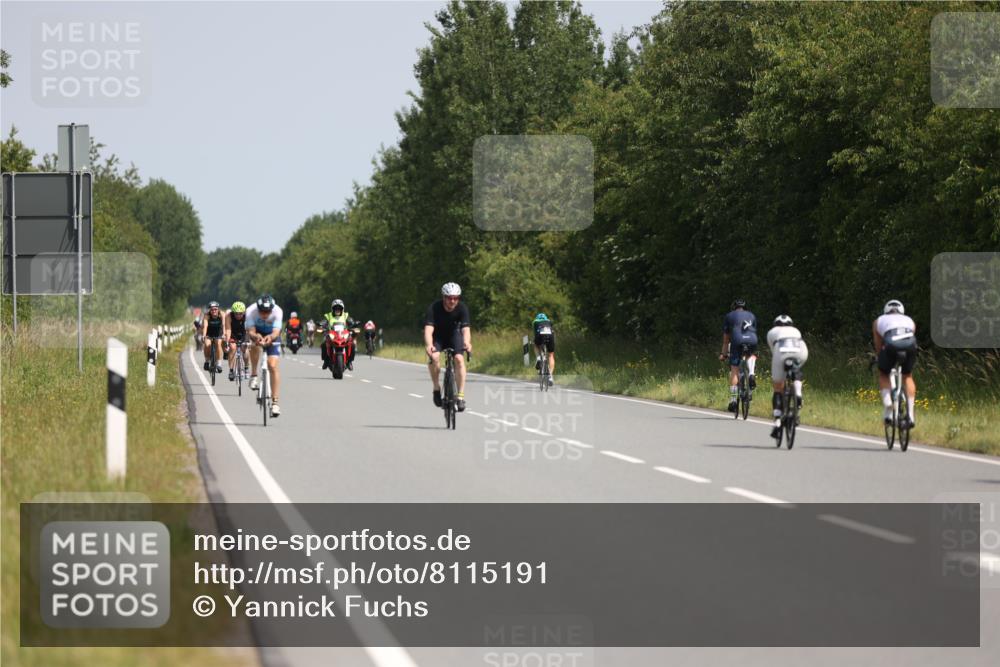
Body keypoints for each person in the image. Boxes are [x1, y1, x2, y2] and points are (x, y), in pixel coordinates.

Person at [424, 282, 472, 411]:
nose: (452, 301)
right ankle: (436, 388)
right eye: (449, 298)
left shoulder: (462, 308)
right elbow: (428, 330)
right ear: (444, 297)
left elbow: (465, 329)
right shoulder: (434, 308)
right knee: (434, 357)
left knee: (459, 359)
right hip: (438, 337)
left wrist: (467, 342)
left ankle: (460, 397)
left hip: (454, 335)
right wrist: (429, 345)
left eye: (455, 298)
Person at [873, 299, 918, 428]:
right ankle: (910, 416)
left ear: (886, 311)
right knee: (907, 376)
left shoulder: (879, 320)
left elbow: (878, 343)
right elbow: (911, 337)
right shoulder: (910, 320)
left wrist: (879, 357)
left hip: (891, 344)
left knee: (883, 373)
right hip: (910, 345)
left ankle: (888, 405)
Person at [766, 315, 809, 439]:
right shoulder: (795, 330)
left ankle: (777, 422)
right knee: (796, 368)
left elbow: (774, 352)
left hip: (781, 350)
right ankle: (798, 392)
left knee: (778, 387)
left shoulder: (771, 332)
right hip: (800, 350)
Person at [246, 294, 283, 418]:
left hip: (272, 335)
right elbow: (251, 331)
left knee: (272, 365)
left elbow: (276, 332)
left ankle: (275, 402)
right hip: (257, 333)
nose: (265, 314)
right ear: (258, 308)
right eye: (262, 311)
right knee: (254, 346)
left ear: (272, 309)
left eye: (268, 311)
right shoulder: (251, 311)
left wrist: (270, 338)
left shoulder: (278, 311)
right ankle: (254, 375)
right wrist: (257, 337)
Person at [719, 298, 759, 413]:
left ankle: (733, 400)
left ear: (734, 308)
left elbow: (726, 340)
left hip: (736, 341)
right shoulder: (752, 315)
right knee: (751, 355)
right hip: (752, 340)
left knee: (734, 371)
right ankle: (751, 373)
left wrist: (723, 354)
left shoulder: (729, 316)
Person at [321, 299, 357, 371]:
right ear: (332, 309)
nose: (337, 310)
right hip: (332, 334)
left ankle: (349, 361)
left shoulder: (345, 315)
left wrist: (353, 323)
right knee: (324, 343)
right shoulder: (329, 315)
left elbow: (351, 321)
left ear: (342, 309)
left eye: (339, 308)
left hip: (343, 334)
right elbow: (324, 321)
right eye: (335, 308)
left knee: (352, 344)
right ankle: (326, 360)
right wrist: (322, 324)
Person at [224, 301, 248, 381]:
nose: (238, 315)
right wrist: (227, 342)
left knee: (245, 348)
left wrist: (248, 341)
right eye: (236, 313)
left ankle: (246, 368)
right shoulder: (228, 316)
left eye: (240, 313)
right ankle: (231, 370)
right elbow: (228, 329)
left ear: (243, 312)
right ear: (233, 312)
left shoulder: (247, 316)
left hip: (244, 333)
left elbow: (249, 330)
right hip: (233, 334)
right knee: (232, 347)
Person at [200, 301, 225, 373]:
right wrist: (204, 335)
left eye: (215, 309)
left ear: (218, 309)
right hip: (209, 333)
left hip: (219, 333)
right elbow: (205, 326)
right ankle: (207, 361)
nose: (214, 311)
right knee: (207, 344)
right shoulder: (207, 315)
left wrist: (224, 334)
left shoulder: (222, 314)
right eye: (212, 309)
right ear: (209, 310)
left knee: (218, 343)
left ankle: (219, 363)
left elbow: (223, 325)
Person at [532, 313, 555, 386]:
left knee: (535, 344)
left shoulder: (535, 321)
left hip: (539, 335)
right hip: (550, 336)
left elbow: (535, 333)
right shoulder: (549, 321)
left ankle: (538, 358)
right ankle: (550, 376)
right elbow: (552, 331)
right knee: (551, 355)